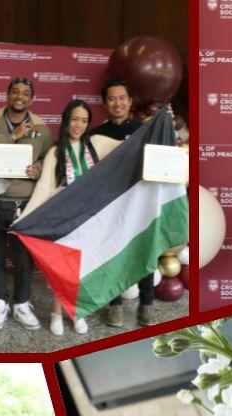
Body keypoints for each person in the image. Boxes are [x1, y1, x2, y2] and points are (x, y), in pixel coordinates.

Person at [21, 99, 117, 336]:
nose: (79, 125)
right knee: (63, 268)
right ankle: (56, 313)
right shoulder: (55, 151)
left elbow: (130, 146)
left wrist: (160, 121)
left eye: (84, 121)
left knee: (83, 267)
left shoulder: (97, 143)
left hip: (90, 218)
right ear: (66, 120)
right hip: (63, 217)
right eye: (74, 119)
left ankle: (78, 313)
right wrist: (23, 218)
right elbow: (44, 188)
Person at [0, 77, 53, 331]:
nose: (19, 96)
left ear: (31, 99)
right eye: (15, 92)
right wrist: (11, 135)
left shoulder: (40, 127)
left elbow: (50, 159)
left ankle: (22, 303)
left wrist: (37, 168)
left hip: (24, 200)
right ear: (7, 95)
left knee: (23, 258)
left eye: (25, 93)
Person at [90, 80, 156, 328]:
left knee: (146, 250)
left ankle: (146, 305)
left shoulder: (145, 131)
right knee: (112, 252)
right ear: (105, 104)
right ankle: (115, 305)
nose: (117, 103)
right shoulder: (95, 135)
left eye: (121, 98)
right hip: (110, 205)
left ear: (129, 102)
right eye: (111, 99)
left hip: (141, 201)